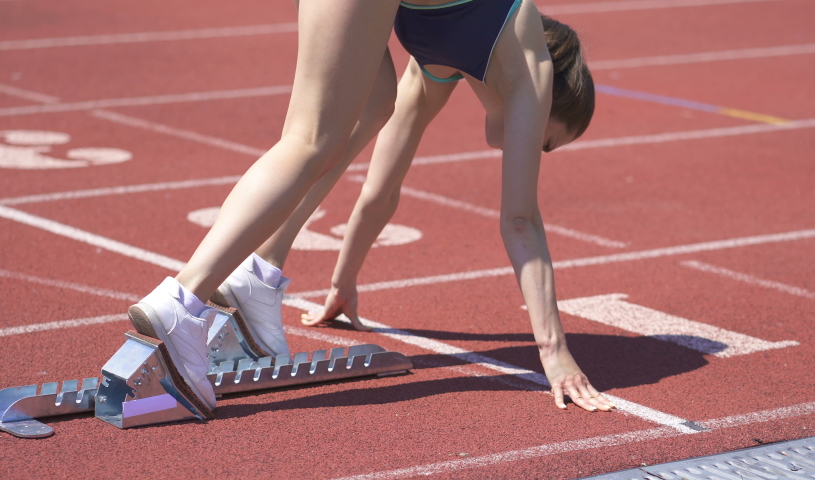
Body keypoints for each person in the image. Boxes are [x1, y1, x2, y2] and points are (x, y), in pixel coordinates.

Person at [128, 0, 613, 414]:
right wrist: (555, 352)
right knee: (310, 139)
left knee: (370, 106)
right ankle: (182, 301)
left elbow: (381, 190)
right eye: (548, 144)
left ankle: (257, 277)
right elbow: (520, 218)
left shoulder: (441, 62)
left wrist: (344, 280)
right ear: (551, 100)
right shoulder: (528, 63)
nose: (536, 151)